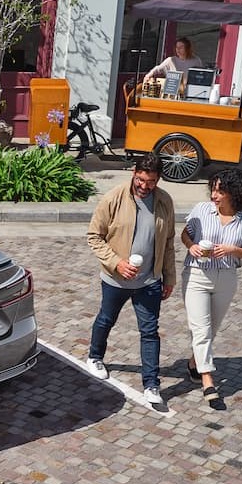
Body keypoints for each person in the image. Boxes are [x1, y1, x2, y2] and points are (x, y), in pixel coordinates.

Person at [86, 153, 176, 406]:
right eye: (141, 180)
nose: (145, 186)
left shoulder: (164, 201)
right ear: (134, 173)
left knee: (149, 331)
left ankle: (152, 385)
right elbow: (94, 236)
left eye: (151, 181)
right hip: (116, 280)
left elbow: (168, 241)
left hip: (149, 281)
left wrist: (169, 276)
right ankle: (95, 356)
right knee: (106, 319)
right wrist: (117, 263)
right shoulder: (114, 197)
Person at [180, 168, 242, 407]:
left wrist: (231, 249)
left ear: (233, 193)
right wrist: (191, 246)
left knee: (211, 329)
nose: (214, 195)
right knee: (201, 329)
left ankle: (194, 363)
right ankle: (208, 381)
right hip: (197, 274)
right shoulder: (202, 210)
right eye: (213, 189)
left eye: (220, 190)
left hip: (226, 277)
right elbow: (185, 235)